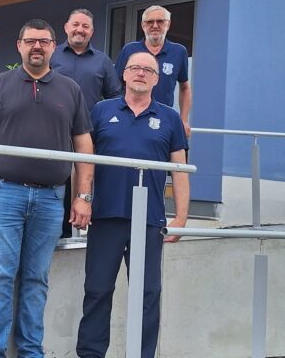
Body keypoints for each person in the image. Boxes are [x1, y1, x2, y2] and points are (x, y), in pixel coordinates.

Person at [0, 19, 94, 358]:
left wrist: (83, 197)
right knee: (0, 277)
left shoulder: (70, 90)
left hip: (51, 199)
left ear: (53, 47)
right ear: (19, 46)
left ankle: (31, 351)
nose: (37, 46)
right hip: (4, 194)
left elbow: (84, 147)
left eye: (44, 41)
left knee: (37, 279)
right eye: (31, 41)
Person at [76, 51, 190, 358]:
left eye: (148, 70)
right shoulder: (101, 111)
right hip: (106, 215)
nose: (140, 73)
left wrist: (181, 217)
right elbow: (84, 161)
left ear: (156, 79)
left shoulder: (169, 118)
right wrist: (82, 198)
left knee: (147, 294)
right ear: (124, 75)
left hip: (149, 220)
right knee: (97, 290)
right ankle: (90, 354)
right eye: (135, 68)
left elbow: (180, 170)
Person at [51, 8, 119, 238]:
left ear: (92, 31)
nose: (80, 30)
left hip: (88, 134)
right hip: (54, 132)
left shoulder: (103, 61)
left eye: (85, 26)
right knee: (58, 182)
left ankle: (90, 231)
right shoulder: (52, 55)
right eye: (76, 25)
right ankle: (60, 235)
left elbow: (114, 97)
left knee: (87, 181)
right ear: (66, 27)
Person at [114, 5, 192, 137]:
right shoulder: (129, 50)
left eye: (160, 21)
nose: (155, 26)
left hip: (162, 120)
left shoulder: (179, 52)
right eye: (150, 22)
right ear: (143, 25)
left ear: (168, 24)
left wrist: (183, 120)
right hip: (129, 118)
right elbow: (115, 85)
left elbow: (184, 88)